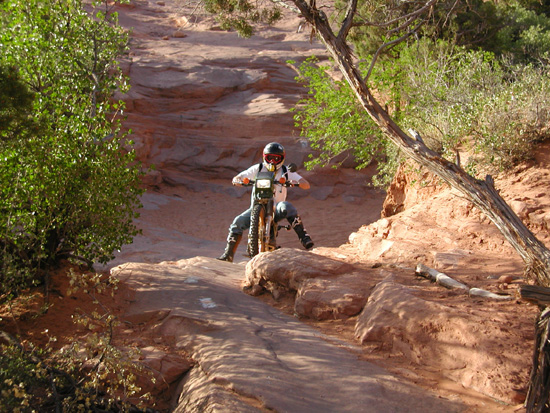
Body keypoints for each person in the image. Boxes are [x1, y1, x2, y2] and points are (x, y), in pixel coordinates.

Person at [218, 142, 314, 263]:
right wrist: (239, 181)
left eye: (276, 158)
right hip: (256, 206)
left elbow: (306, 184)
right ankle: (228, 254)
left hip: (276, 207)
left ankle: (303, 236)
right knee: (238, 222)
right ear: (265, 157)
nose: (273, 161)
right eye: (270, 158)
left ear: (282, 159)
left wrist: (295, 183)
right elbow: (238, 177)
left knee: (286, 206)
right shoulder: (257, 169)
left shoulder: (285, 171)